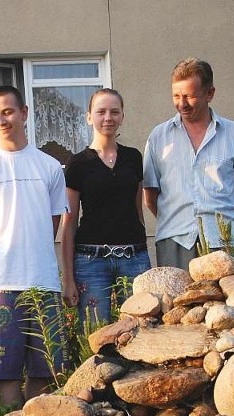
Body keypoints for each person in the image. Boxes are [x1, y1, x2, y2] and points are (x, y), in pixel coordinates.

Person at [0, 85, 68, 409]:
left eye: (7, 112)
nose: (1, 120)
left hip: (43, 283)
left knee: (44, 370)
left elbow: (52, 224)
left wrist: (31, 259)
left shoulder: (49, 167)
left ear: (24, 113)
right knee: (6, 375)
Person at [62, 88, 151, 325]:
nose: (108, 117)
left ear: (122, 115)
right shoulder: (77, 163)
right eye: (101, 111)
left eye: (114, 111)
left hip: (134, 258)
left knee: (141, 328)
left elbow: (138, 211)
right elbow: (68, 224)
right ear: (89, 116)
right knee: (95, 333)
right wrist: (68, 279)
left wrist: (143, 250)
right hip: (91, 262)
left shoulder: (133, 158)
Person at [144, 58, 234, 270]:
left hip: (225, 242)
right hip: (174, 242)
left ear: (210, 93)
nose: (182, 104)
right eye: (176, 96)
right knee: (176, 303)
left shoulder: (232, 135)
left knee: (227, 305)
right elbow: (150, 195)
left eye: (190, 96)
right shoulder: (159, 137)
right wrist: (176, 217)